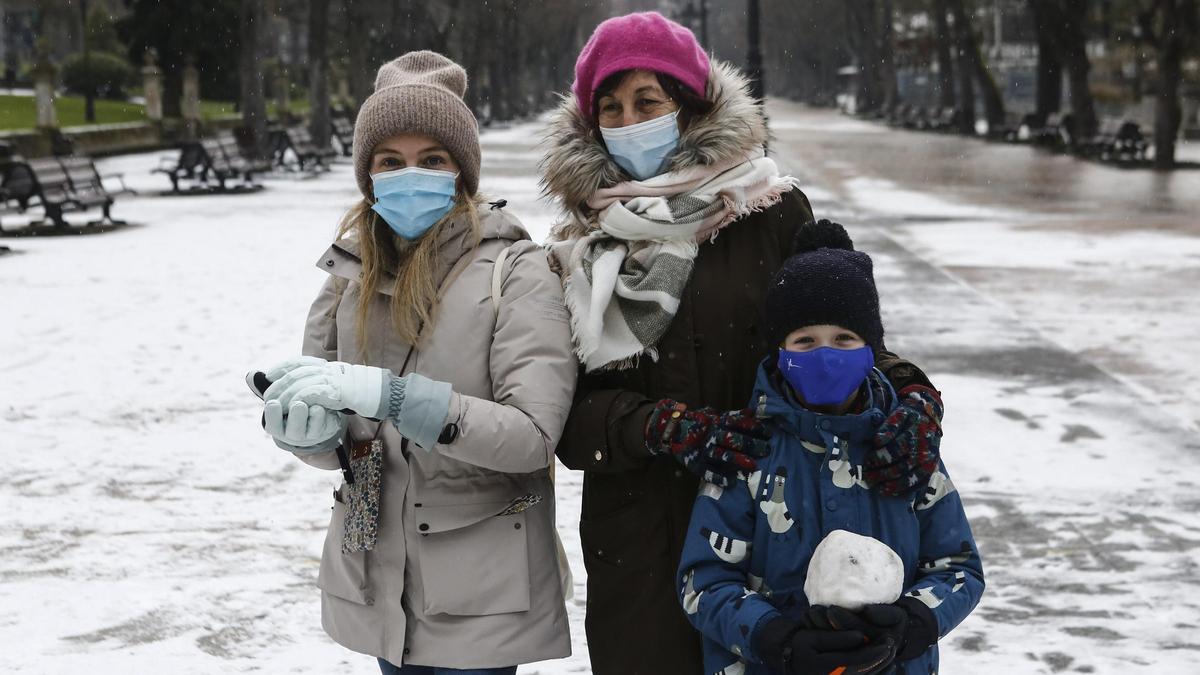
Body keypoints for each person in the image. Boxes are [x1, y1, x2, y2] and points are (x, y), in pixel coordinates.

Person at [540, 12, 947, 674]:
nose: (627, 121)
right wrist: (663, 427)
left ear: (691, 106)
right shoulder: (576, 245)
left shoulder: (769, 211)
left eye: (648, 101)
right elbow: (563, 412)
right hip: (644, 540)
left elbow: (837, 336)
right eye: (609, 108)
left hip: (773, 525)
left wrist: (912, 392)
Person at [254, 51, 575, 674]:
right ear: (367, 175)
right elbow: (341, 442)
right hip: (378, 578)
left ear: (462, 173)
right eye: (389, 161)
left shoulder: (518, 271)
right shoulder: (348, 275)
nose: (411, 176)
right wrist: (305, 432)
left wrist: (394, 397)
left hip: (477, 591)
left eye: (433, 159)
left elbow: (532, 440)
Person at [676, 220, 984, 675]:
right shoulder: (748, 453)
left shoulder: (906, 449)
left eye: (844, 339)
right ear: (780, 351)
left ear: (871, 349)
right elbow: (704, 580)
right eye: (805, 341)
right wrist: (774, 637)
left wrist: (913, 623)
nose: (825, 355)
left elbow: (959, 566)